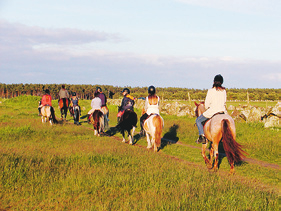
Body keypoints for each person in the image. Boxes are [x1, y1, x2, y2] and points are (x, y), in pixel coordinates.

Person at [195, 74, 227, 144]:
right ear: (222, 82)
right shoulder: (224, 91)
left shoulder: (210, 91)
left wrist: (208, 108)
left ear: (214, 82)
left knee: (198, 120)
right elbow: (224, 103)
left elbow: (206, 105)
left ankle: (202, 137)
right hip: (222, 111)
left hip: (212, 111)